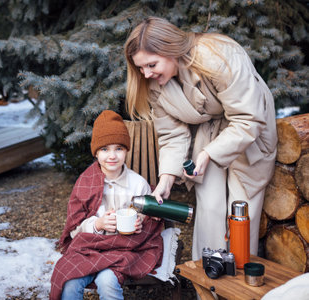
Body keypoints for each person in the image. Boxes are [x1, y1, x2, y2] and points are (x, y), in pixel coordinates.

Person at [124, 17, 277, 261]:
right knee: (209, 206)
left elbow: (248, 118)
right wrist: (165, 179)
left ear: (171, 50)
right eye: (141, 68)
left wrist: (208, 153)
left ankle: (238, 287)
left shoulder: (218, 56)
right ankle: (208, 286)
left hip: (250, 129)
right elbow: (171, 134)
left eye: (151, 64)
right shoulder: (153, 84)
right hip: (211, 129)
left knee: (241, 207)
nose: (146, 74)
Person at [49, 110, 164, 300]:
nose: (112, 156)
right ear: (96, 152)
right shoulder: (86, 182)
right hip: (89, 249)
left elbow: (146, 220)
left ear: (127, 150)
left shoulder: (137, 184)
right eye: (104, 149)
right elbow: (74, 229)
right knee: (68, 282)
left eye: (119, 148)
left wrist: (138, 224)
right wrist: (97, 224)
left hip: (123, 249)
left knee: (107, 282)